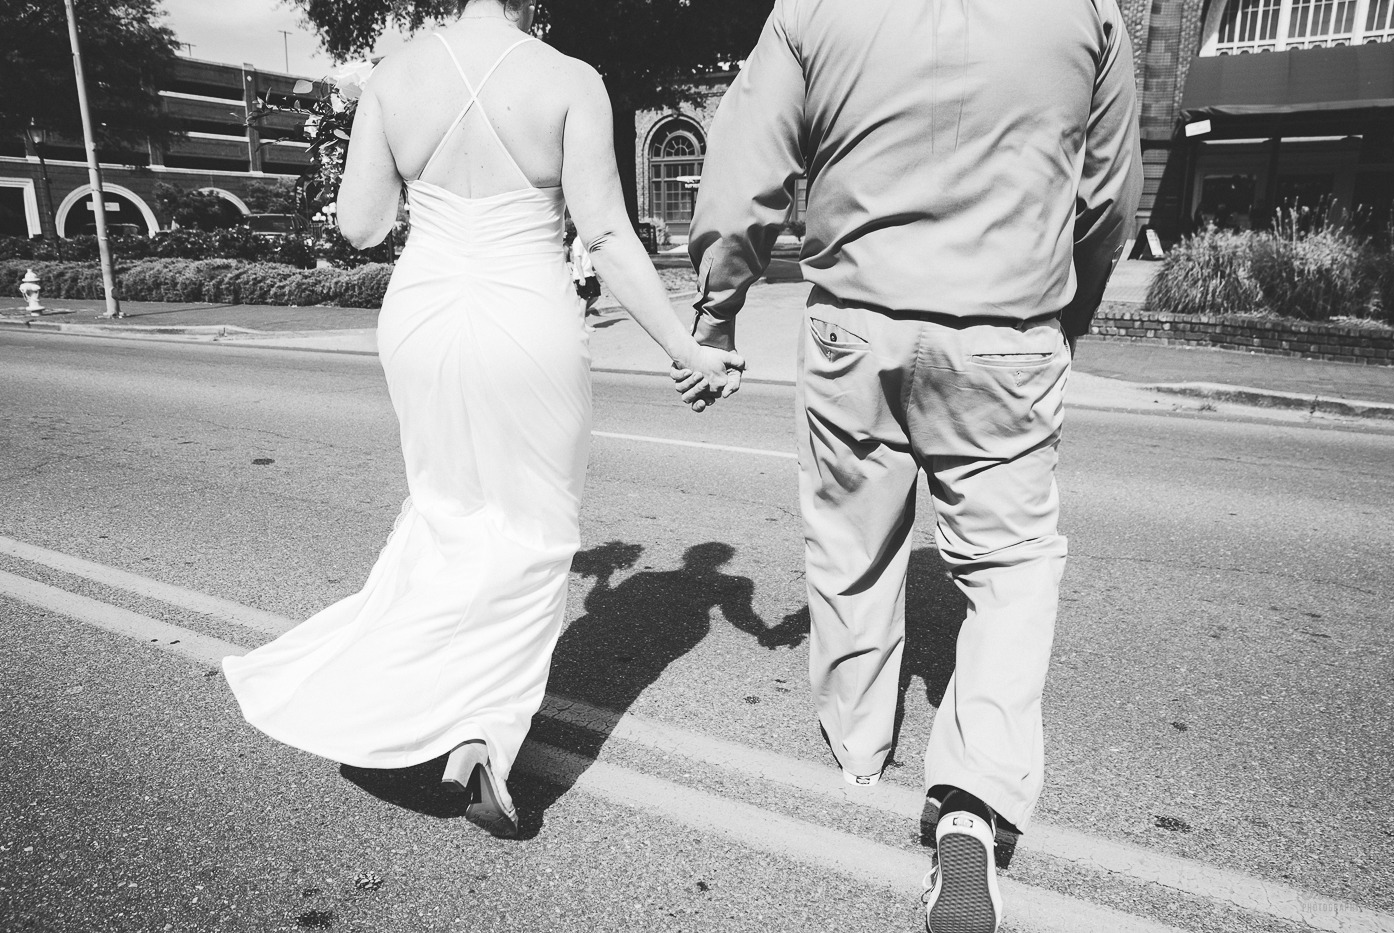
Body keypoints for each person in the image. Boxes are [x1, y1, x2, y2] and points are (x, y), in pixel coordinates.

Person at [222, 0, 742, 838]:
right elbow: (604, 231)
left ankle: (408, 708)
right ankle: (480, 735)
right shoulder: (570, 81)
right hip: (526, 313)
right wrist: (685, 346)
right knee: (531, 533)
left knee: (448, 513)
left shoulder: (394, 78)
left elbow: (361, 226)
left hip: (424, 312)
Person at [675, 0, 1142, 929]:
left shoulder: (811, 7)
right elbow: (1108, 193)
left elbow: (746, 168)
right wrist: (1065, 314)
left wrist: (718, 307)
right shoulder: (1091, 10)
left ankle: (858, 749)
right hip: (1009, 330)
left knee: (853, 546)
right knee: (1011, 570)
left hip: (857, 321)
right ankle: (970, 805)